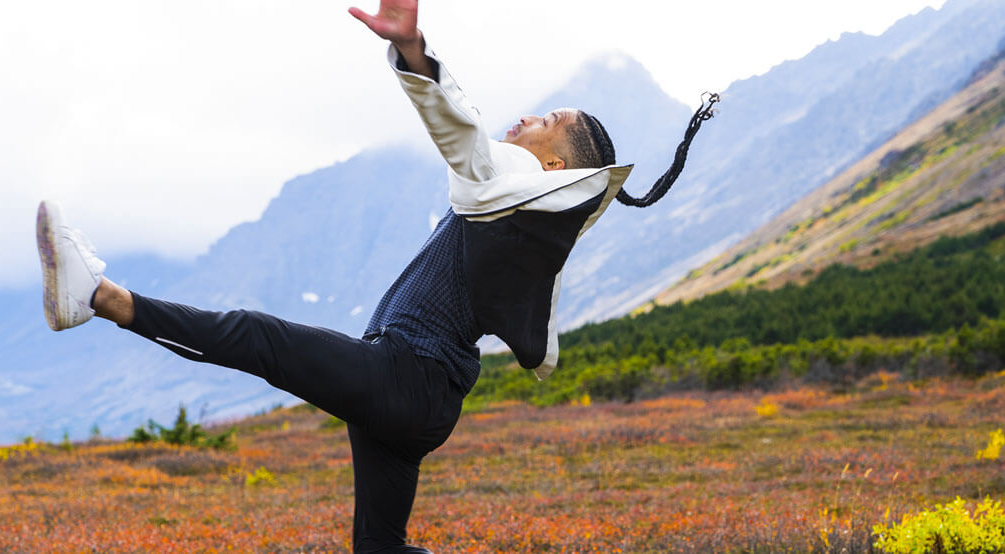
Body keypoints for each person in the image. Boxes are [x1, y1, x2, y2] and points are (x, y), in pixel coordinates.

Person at [35, 0, 716, 551]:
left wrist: (415, 55)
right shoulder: (523, 218)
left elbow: (465, 138)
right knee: (379, 549)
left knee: (260, 339)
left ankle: (101, 298)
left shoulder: (518, 180)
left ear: (559, 167)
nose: (531, 116)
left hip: (409, 377)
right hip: (416, 392)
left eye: (550, 120)